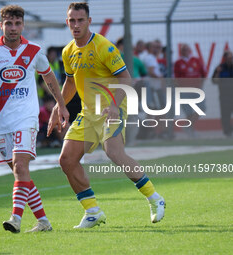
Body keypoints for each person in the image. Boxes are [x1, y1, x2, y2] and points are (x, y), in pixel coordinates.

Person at [48, 2, 165, 229]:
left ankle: (155, 198)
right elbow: (70, 81)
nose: (76, 24)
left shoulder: (104, 47)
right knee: (66, 160)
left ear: (89, 22)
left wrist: (113, 104)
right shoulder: (68, 51)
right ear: (67, 22)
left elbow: (126, 79)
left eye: (80, 20)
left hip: (113, 108)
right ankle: (92, 211)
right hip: (88, 113)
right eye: (72, 20)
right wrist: (58, 106)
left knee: (113, 152)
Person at [0, 5, 69, 233]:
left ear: (23, 25)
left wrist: (60, 104)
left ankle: (15, 219)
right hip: (0, 122)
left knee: (20, 166)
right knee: (22, 176)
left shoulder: (34, 51)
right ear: (1, 25)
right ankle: (44, 222)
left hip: (26, 119)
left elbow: (49, 77)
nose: (13, 28)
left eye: (17, 23)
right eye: (8, 23)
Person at [174, 43, 206, 137]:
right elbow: (176, 78)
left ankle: (188, 127)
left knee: (201, 108)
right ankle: (190, 129)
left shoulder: (196, 60)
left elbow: (203, 74)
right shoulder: (178, 63)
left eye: (187, 49)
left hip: (196, 89)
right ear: (181, 51)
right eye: (183, 50)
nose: (185, 51)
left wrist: (201, 85)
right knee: (188, 111)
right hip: (184, 90)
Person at [212, 50, 233, 137]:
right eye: (229, 58)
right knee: (225, 115)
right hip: (224, 95)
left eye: (231, 58)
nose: (230, 60)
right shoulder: (220, 68)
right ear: (225, 58)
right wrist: (218, 72)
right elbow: (214, 81)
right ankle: (227, 132)